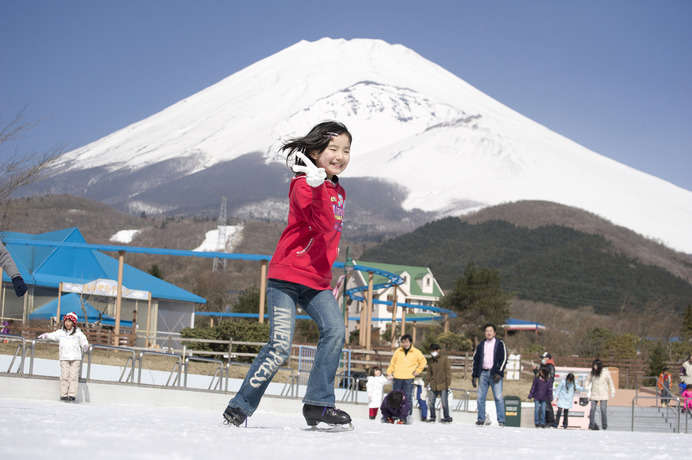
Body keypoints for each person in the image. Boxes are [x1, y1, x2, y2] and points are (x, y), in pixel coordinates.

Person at [222, 121, 353, 429]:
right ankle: (240, 406)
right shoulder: (302, 185)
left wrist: (324, 185)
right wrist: (316, 184)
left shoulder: (338, 190)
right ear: (314, 152)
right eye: (333, 149)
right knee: (280, 345)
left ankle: (318, 404)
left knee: (335, 331)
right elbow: (319, 224)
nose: (340, 156)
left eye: (346, 150)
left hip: (317, 282)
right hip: (287, 277)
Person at [37, 312, 89, 402]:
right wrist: (46, 335)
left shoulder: (78, 333)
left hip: (75, 358)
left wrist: (85, 346)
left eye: (69, 321)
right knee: (64, 376)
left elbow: (84, 341)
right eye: (66, 321)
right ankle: (63, 395)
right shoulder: (61, 332)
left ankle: (72, 395)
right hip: (64, 358)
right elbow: (53, 335)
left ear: (73, 323)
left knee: (73, 377)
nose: (67, 323)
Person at [471, 323, 508, 426]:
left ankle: (501, 420)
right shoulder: (481, 345)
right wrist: (474, 375)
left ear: (494, 333)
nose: (489, 333)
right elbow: (476, 359)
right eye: (487, 331)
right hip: (483, 372)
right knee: (480, 397)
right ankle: (481, 419)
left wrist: (499, 372)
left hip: (494, 374)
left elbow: (504, 359)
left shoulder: (500, 343)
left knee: (498, 397)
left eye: (491, 331)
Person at [386, 334, 427, 417]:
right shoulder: (398, 351)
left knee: (407, 397)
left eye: (407, 342)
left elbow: (423, 362)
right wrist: (389, 372)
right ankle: (395, 414)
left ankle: (407, 414)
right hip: (397, 377)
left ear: (410, 342)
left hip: (409, 378)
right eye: (403, 342)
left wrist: (417, 371)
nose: (405, 344)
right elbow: (392, 363)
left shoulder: (416, 352)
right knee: (395, 397)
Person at [585, 358, 616, 430]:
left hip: (603, 393)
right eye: (594, 366)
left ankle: (604, 425)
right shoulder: (592, 373)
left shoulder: (605, 372)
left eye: (596, 366)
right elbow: (588, 379)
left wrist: (612, 391)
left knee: (603, 410)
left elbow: (610, 382)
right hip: (594, 393)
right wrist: (586, 385)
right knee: (592, 410)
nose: (594, 367)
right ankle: (591, 425)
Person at [426, 343, 453, 423]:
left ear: (438, 350)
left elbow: (448, 371)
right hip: (433, 384)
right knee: (431, 402)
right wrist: (426, 383)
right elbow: (428, 373)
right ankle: (432, 417)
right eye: (431, 351)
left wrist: (448, 383)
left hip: (443, 384)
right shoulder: (430, 361)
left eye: (434, 351)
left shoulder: (444, 359)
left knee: (444, 402)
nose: (433, 352)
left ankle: (446, 417)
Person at [533, 352, 556, 427]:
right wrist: (535, 370)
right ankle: (544, 421)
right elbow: (539, 376)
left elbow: (550, 378)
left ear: (547, 358)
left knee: (547, 405)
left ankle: (551, 422)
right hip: (541, 389)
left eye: (543, 358)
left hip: (546, 389)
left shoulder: (550, 366)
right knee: (543, 406)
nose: (542, 359)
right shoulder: (544, 366)